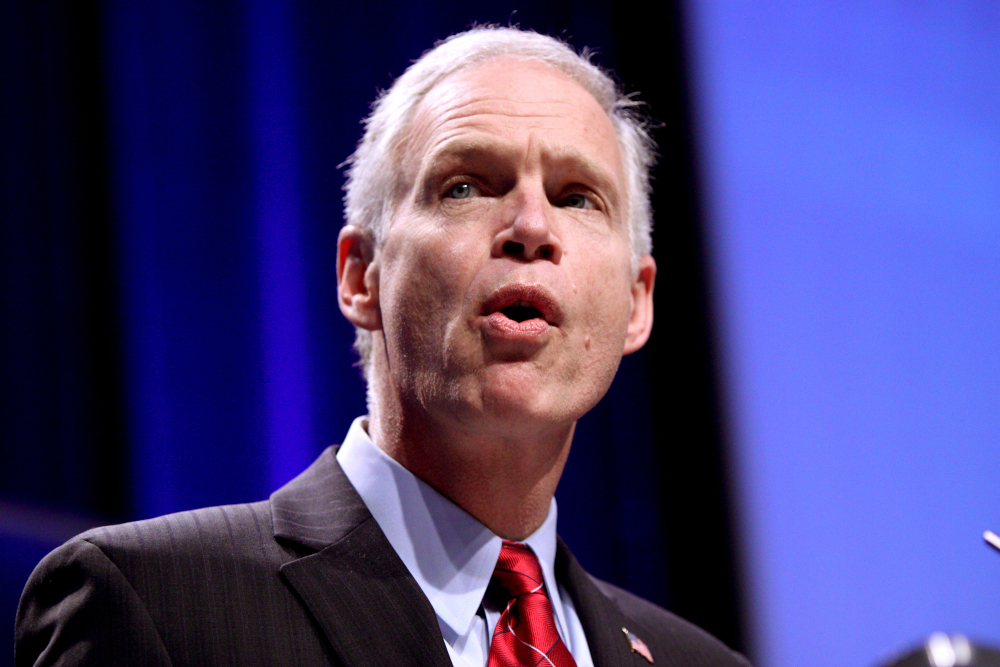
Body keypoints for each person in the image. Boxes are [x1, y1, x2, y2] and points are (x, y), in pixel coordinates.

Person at [15, 26, 750, 667]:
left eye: (577, 197)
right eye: (466, 186)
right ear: (361, 276)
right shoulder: (155, 605)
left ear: (636, 302)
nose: (531, 225)